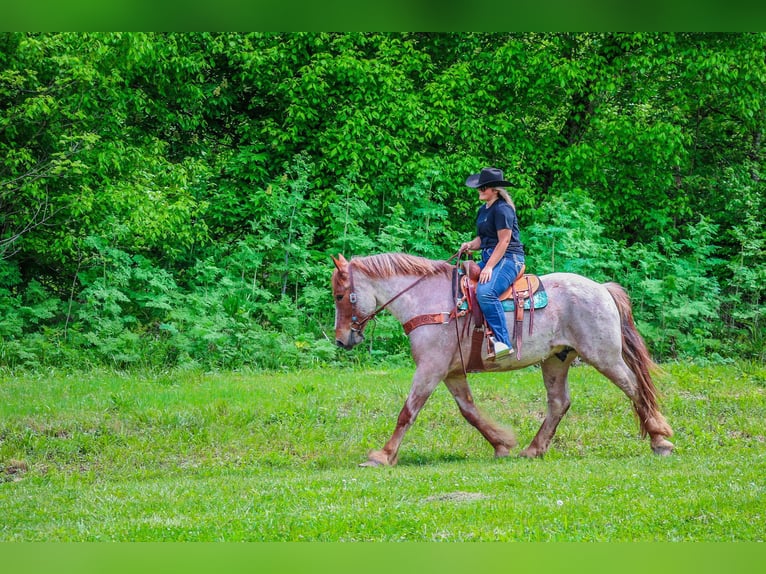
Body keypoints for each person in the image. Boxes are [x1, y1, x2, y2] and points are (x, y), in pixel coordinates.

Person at [459, 167, 525, 359]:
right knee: (458, 278)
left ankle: (503, 342)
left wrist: (488, 267)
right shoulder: (483, 210)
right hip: (491, 256)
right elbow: (483, 239)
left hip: (510, 259)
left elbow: (504, 241)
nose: (480, 190)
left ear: (494, 189)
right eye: (479, 187)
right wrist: (470, 245)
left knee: (486, 293)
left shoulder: (503, 209)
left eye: (484, 187)